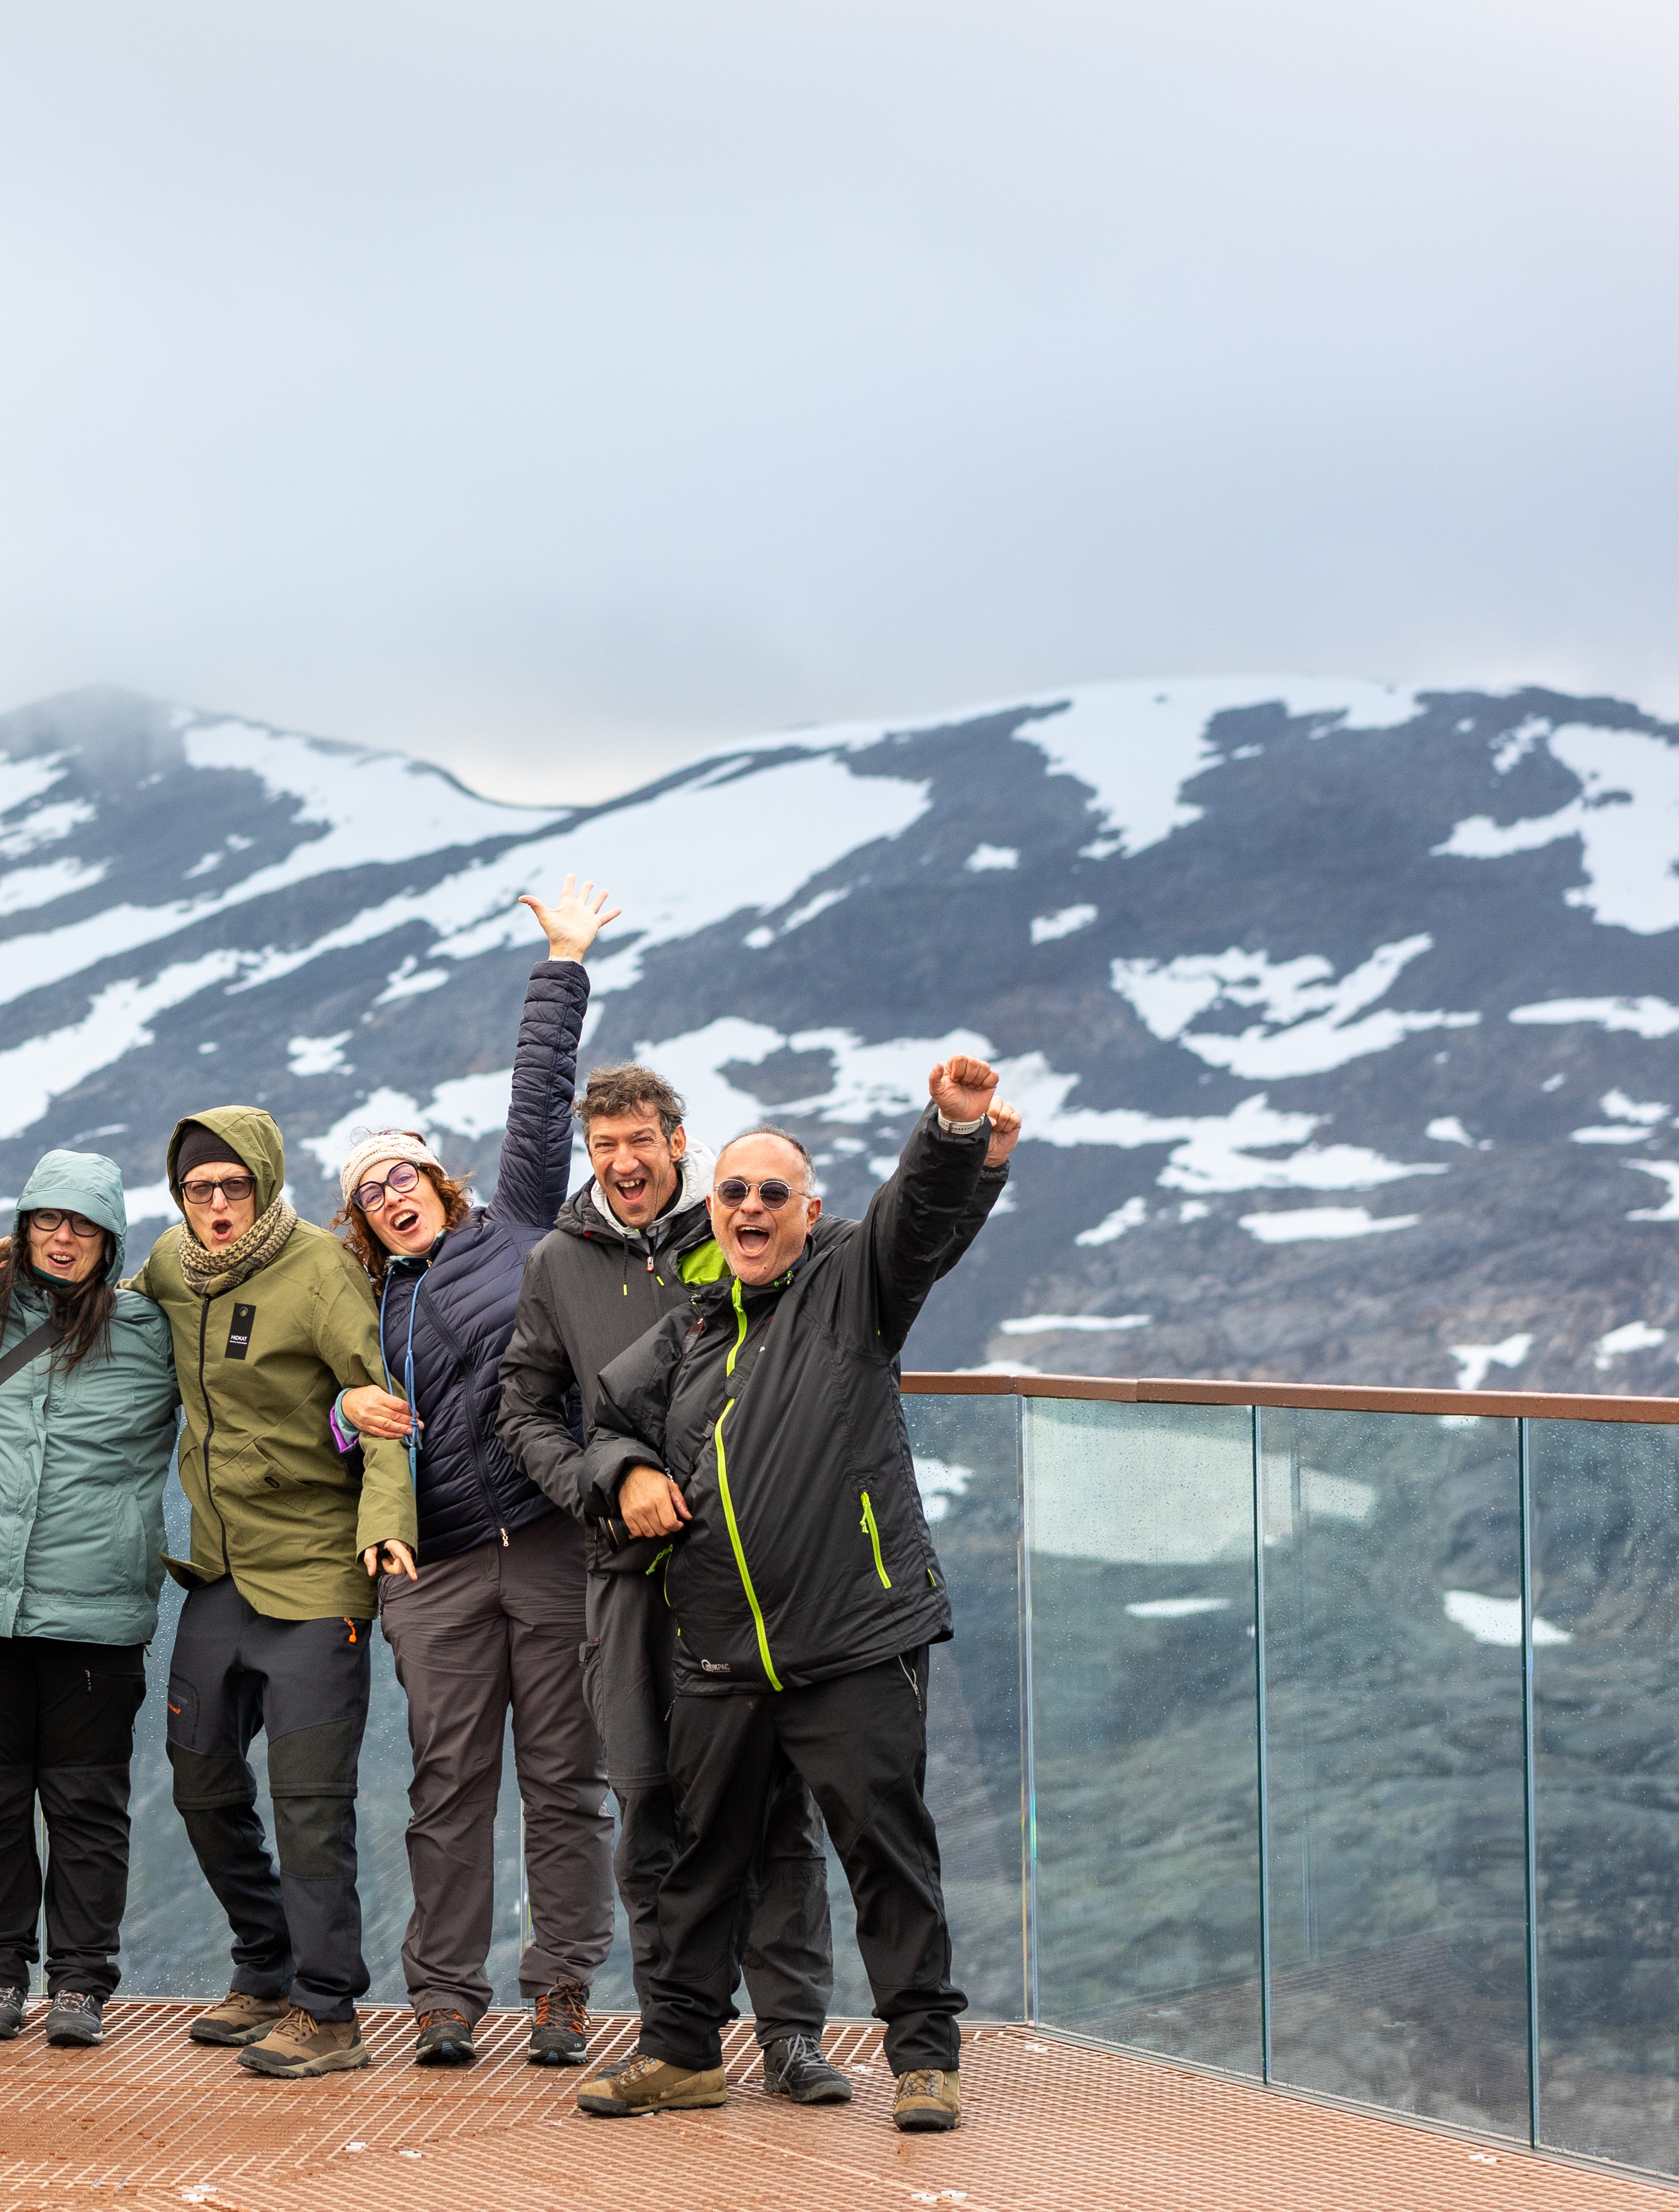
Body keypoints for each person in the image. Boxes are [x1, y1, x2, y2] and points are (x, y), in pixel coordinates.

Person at [500, 1068, 1017, 2105]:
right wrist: (627, 1474)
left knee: (886, 1853)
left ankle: (923, 2063)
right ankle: (684, 2055)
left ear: (809, 1212)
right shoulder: (690, 1327)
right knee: (702, 1859)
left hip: (853, 1639)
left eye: (773, 1195)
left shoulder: (852, 1291)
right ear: (715, 1209)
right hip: (721, 1647)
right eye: (736, 1194)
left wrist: (954, 1131)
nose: (750, 1210)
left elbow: (917, 1215)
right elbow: (597, 1424)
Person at [331, 878, 618, 2072]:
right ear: (358, 1220)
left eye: (403, 1173)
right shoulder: (353, 1298)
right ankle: (444, 1996)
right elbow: (310, 1403)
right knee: (448, 1782)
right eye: (369, 1190)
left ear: (439, 1181)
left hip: (551, 1538)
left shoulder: (520, 1225)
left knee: (564, 1777)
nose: (392, 1193)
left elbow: (543, 1098)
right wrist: (349, 1415)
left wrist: (562, 961)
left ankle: (560, 1990)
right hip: (438, 1564)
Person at [133, 1105, 417, 2080]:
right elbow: (115, 1307)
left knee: (308, 1802)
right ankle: (265, 1964)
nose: (216, 1205)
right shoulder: (174, 1266)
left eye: (232, 1187)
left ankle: (329, 2010)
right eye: (198, 1190)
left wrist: (386, 1522)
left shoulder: (321, 1271)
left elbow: (381, 1406)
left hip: (317, 1573)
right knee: (200, 1778)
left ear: (263, 1180)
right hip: (219, 1571)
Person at [0, 1150, 181, 2049]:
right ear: (19, 1231)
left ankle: (81, 1984)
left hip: (95, 1607)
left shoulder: (151, 1331)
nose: (63, 1240)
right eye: (47, 1222)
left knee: (85, 1804)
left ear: (111, 1241)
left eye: (84, 1226)